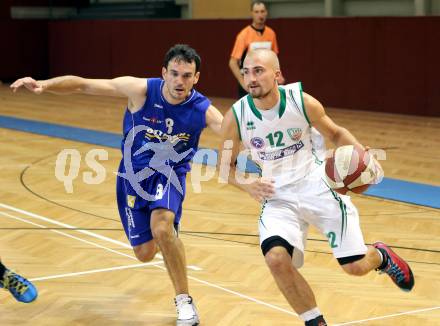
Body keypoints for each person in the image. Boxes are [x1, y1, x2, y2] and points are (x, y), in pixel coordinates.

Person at [11, 44, 223, 326]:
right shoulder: (140, 91)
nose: (179, 81)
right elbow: (84, 86)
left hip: (168, 175)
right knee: (144, 254)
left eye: (187, 75)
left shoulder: (202, 109)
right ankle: (167, 236)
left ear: (196, 78)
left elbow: (233, 129)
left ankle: (184, 301)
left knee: (162, 227)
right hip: (132, 179)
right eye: (175, 74)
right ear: (164, 73)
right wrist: (44, 85)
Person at [218, 49, 414, 326]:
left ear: (276, 75)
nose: (250, 78)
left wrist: (360, 154)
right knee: (276, 259)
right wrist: (248, 185)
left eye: (258, 71)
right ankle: (315, 321)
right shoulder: (236, 117)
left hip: (318, 185)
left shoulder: (301, 101)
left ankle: (381, 255)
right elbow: (225, 168)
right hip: (277, 196)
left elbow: (335, 133)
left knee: (355, 267)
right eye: (246, 71)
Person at [229, 0, 285, 98]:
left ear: (266, 12)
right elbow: (232, 62)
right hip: (249, 80)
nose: (260, 15)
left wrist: (279, 74)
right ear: (252, 13)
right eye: (257, 12)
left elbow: (274, 57)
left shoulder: (271, 33)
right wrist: (242, 82)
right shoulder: (244, 35)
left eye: (262, 11)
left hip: (266, 80)